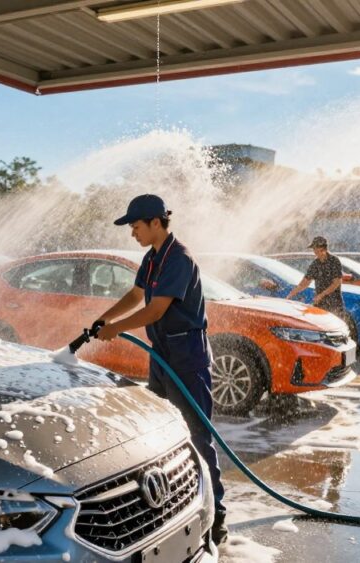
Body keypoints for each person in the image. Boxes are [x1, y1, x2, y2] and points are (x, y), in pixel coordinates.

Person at [91, 194, 227, 545]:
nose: (132, 233)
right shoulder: (152, 258)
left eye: (135, 226)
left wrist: (117, 328)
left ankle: (217, 517)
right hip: (164, 352)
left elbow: (155, 310)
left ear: (155, 222)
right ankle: (172, 507)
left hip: (186, 353)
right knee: (163, 432)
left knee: (197, 436)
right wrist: (105, 317)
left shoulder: (178, 258)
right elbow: (138, 296)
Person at [288, 236, 345, 315]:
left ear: (323, 249)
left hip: (334, 303)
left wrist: (321, 295)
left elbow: (337, 282)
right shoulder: (315, 264)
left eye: (315, 249)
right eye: (314, 249)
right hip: (320, 304)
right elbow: (305, 282)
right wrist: (291, 294)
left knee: (333, 325)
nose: (314, 251)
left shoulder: (334, 261)